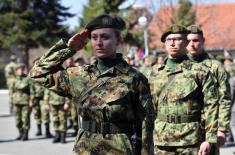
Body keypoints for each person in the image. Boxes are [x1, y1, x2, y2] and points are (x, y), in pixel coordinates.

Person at [29, 14, 154, 154]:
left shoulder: (134, 78)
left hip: (119, 148)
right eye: (94, 38)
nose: (98, 43)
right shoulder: (79, 76)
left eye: (105, 37)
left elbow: (146, 124)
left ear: (118, 40)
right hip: (85, 148)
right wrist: (68, 49)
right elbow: (38, 73)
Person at [148, 24, 219, 155]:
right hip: (162, 139)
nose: (172, 43)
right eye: (169, 40)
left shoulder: (200, 71)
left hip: (190, 139)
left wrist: (209, 139)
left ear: (186, 42)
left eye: (177, 39)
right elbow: (148, 108)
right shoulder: (154, 73)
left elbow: (212, 105)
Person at [186, 25, 232, 153]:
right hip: (182, 129)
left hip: (207, 128)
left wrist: (222, 129)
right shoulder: (179, 65)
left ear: (203, 41)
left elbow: (225, 99)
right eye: (188, 41)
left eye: (196, 40)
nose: (192, 44)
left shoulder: (215, 67)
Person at [10, 63, 31, 141]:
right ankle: (20, 133)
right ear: (16, 71)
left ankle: (25, 134)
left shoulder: (27, 79)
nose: (20, 71)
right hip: (16, 101)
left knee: (25, 118)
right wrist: (11, 101)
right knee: (17, 119)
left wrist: (31, 101)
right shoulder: (14, 80)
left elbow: (32, 91)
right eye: (19, 69)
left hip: (25, 101)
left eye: (22, 69)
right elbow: (11, 92)